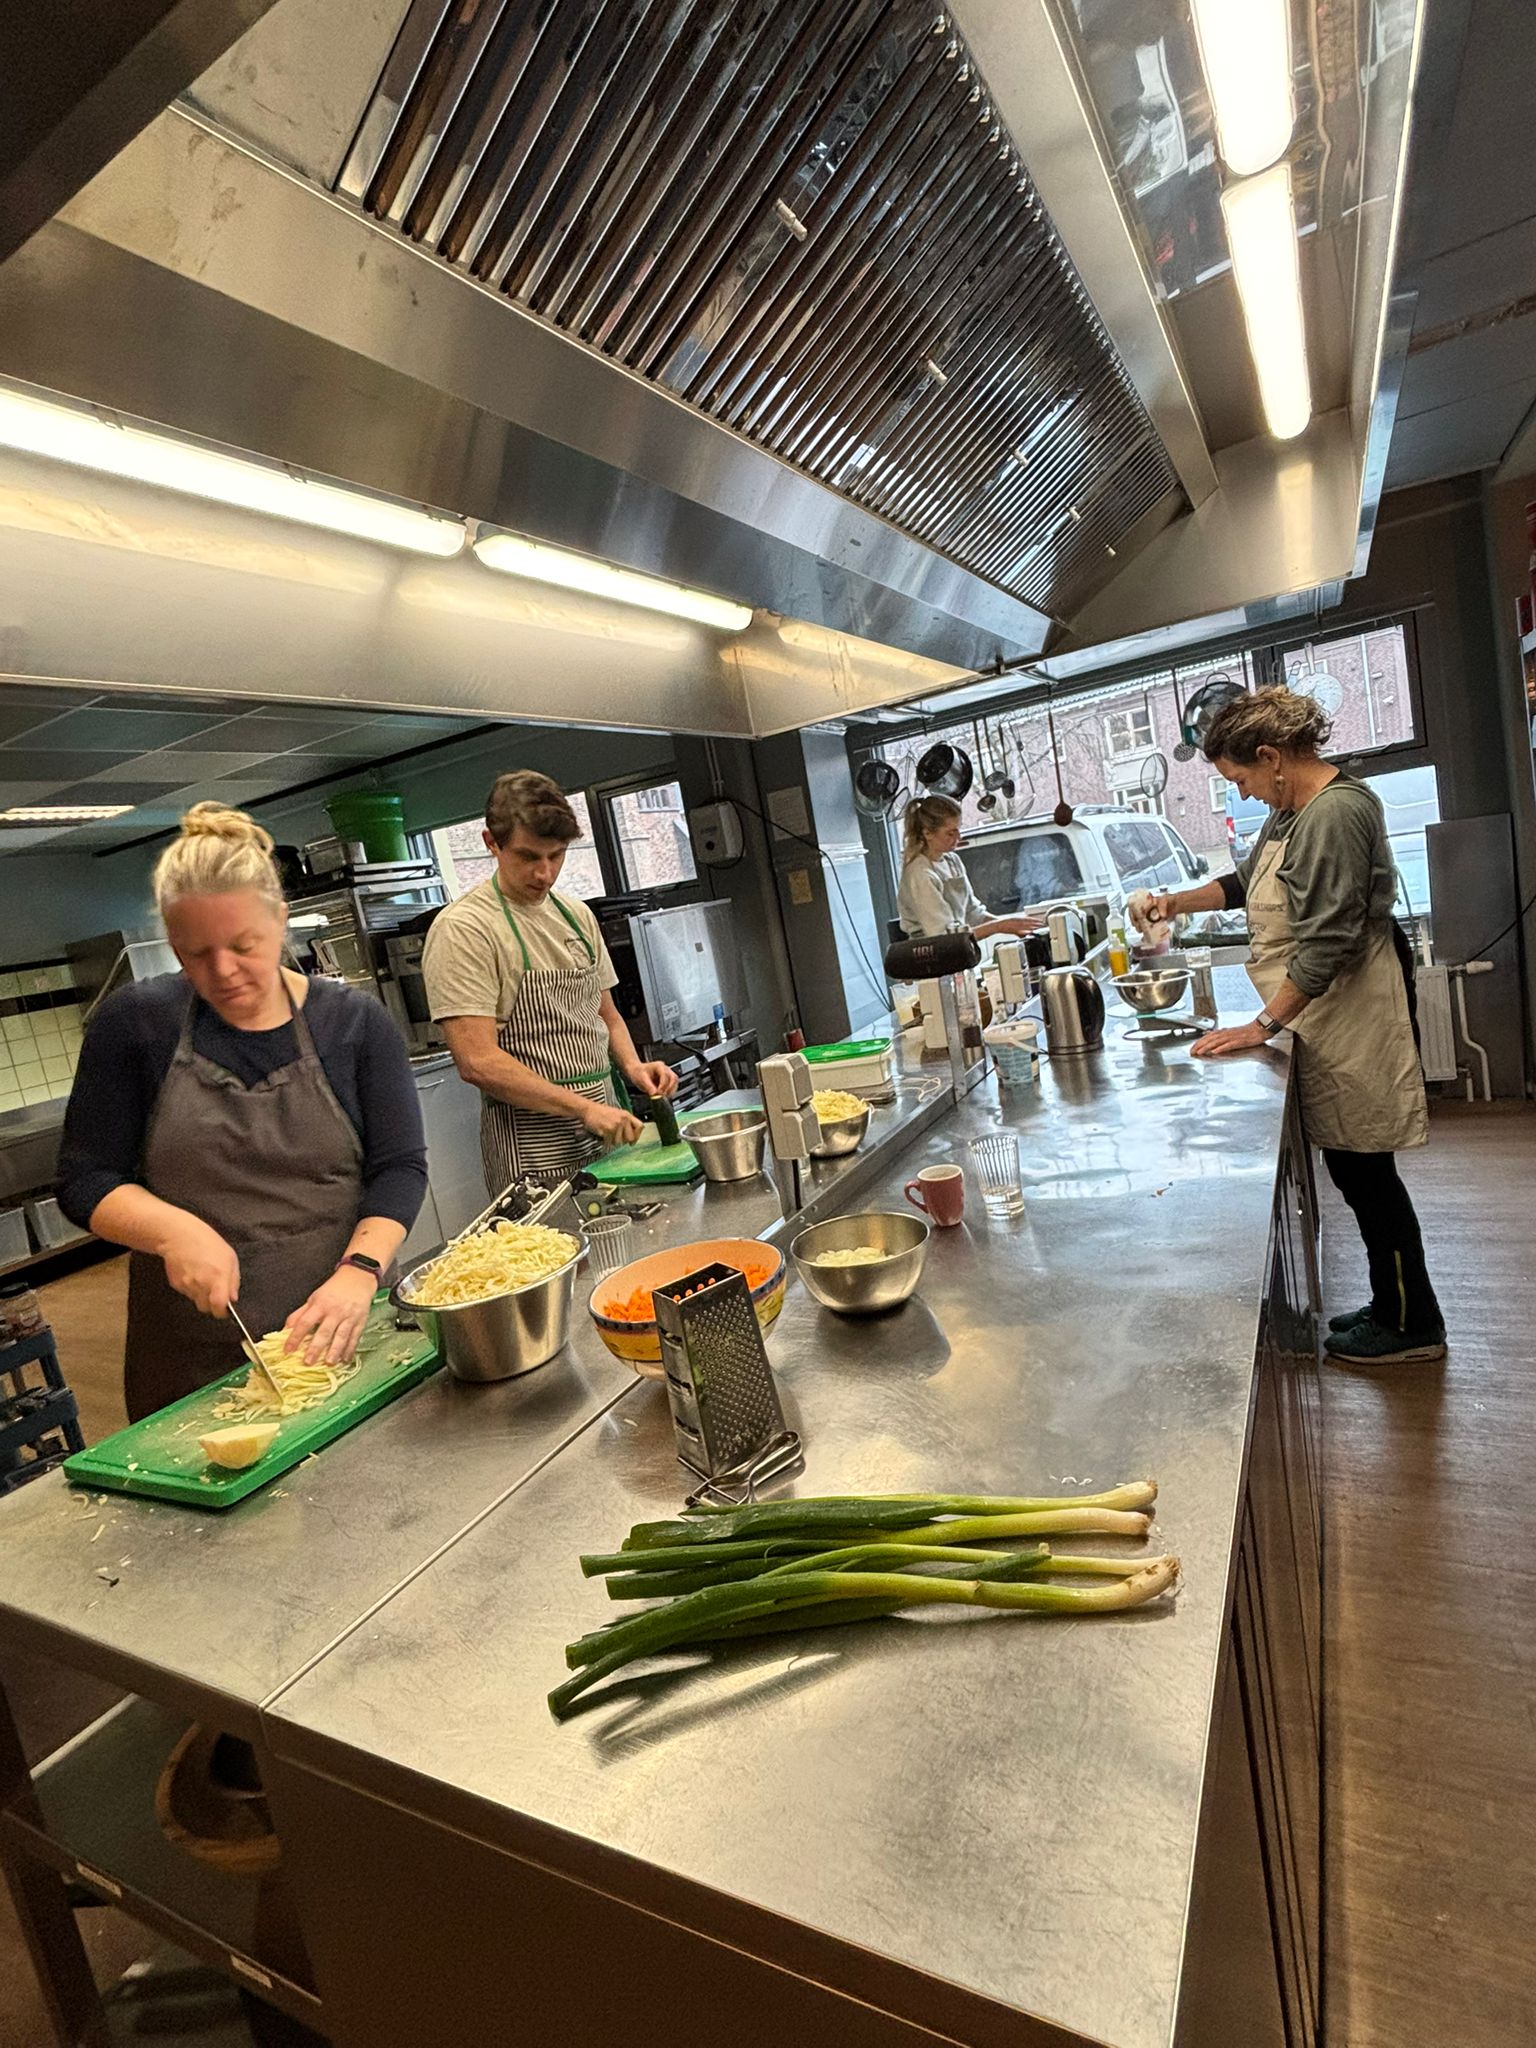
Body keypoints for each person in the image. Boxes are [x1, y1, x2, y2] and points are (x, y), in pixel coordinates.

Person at [58, 804, 427, 1421]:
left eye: (243, 945)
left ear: (280, 920)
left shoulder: (354, 1024)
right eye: (195, 953)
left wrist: (359, 1271)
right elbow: (85, 1178)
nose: (223, 972)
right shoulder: (135, 1025)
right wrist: (173, 1232)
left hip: (344, 1333)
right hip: (193, 1358)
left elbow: (400, 1168)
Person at [1139, 687, 1442, 1365]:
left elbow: (1328, 941)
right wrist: (1172, 903)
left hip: (1354, 1009)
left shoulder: (1336, 812)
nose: (1241, 792)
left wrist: (1262, 1025)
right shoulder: (1290, 812)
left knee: (1368, 1173)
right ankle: (1392, 1303)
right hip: (1325, 1012)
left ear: (1272, 757)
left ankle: (1413, 1323)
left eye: (1240, 778)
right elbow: (1246, 882)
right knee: (1353, 1170)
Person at [422, 770, 677, 1190]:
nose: (544, 873)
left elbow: (605, 1014)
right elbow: (477, 1061)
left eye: (556, 856)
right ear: (491, 843)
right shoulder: (465, 929)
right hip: (533, 1148)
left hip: (607, 1132)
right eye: (528, 857)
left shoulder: (576, 916)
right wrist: (582, 1109)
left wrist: (633, 1066)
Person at [896, 795, 1044, 940]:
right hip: (929, 953)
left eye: (958, 829)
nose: (958, 837)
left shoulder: (952, 861)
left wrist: (1014, 925)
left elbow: (972, 913)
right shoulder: (919, 874)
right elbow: (943, 938)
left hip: (959, 950)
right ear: (927, 833)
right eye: (950, 833)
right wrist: (999, 926)